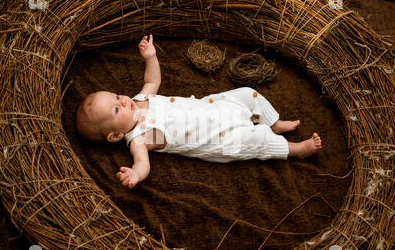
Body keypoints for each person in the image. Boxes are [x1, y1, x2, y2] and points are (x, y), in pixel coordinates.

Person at [76, 34, 322, 188]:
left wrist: (150, 58)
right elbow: (143, 165)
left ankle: (275, 123)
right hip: (217, 139)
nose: (124, 101)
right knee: (257, 140)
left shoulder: (141, 98)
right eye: (117, 110)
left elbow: (152, 81)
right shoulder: (139, 139)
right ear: (115, 136)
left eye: (117, 96)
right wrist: (135, 175)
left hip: (213, 107)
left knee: (248, 93)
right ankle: (296, 150)